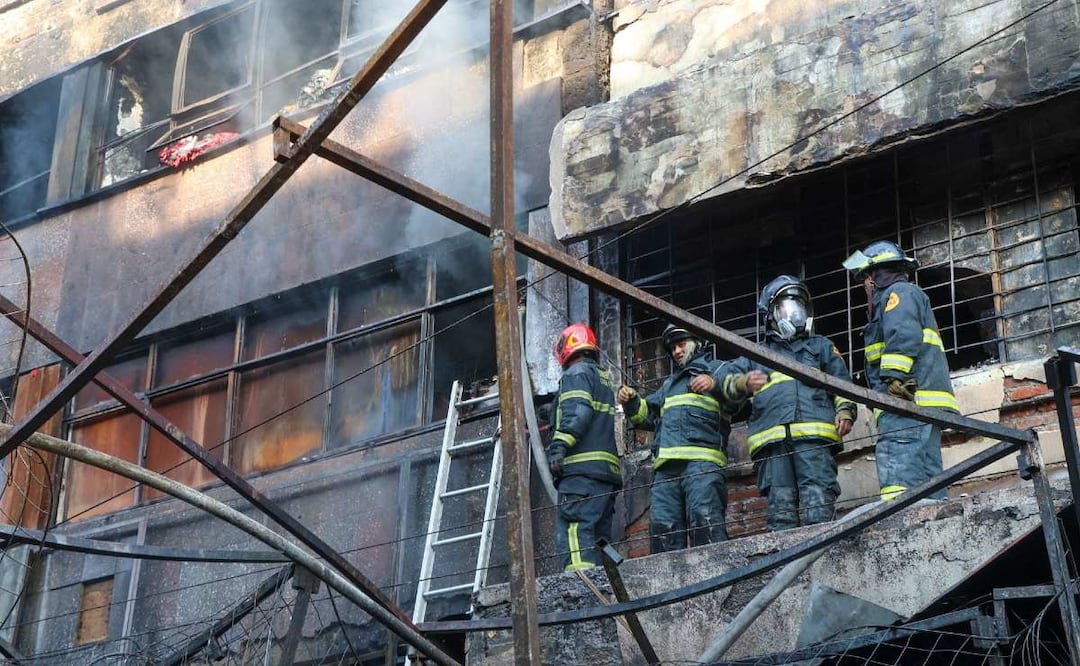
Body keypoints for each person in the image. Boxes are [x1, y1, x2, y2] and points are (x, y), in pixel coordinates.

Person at [717, 276, 856, 531]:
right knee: (781, 514)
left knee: (819, 507)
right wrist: (741, 383)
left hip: (814, 439)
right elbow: (721, 381)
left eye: (798, 306)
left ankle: (821, 563)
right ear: (771, 313)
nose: (794, 313)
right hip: (773, 446)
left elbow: (842, 383)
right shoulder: (756, 353)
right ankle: (786, 569)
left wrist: (845, 409)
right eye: (786, 306)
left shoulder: (821, 347)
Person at [842, 240, 959, 501]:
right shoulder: (908, 293)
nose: (864, 287)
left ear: (874, 277)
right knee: (928, 475)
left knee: (899, 469)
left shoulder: (898, 294)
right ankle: (934, 522)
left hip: (905, 399)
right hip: (923, 402)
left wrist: (896, 377)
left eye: (865, 280)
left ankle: (902, 523)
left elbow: (902, 334)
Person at [617, 324, 740, 552]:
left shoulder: (719, 370)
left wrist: (714, 384)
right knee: (663, 532)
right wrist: (632, 401)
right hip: (667, 472)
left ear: (698, 343)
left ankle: (717, 585)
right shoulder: (668, 386)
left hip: (702, 467)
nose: (676, 351)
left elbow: (739, 398)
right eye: (672, 348)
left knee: (706, 525)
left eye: (681, 344)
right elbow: (646, 416)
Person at [548, 322, 622, 571]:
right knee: (600, 539)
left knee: (575, 531)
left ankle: (583, 591)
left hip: (580, 475)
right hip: (605, 474)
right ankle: (610, 587)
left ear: (565, 348)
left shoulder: (575, 374)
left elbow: (578, 413)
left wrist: (558, 445)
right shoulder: (601, 379)